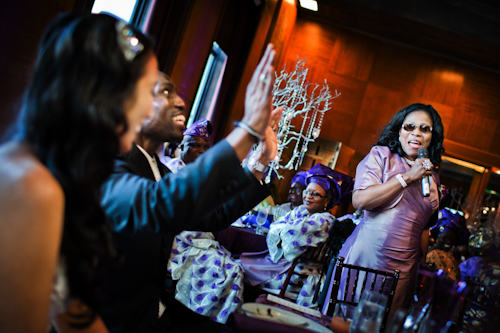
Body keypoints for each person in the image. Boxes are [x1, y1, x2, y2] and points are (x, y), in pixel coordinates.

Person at [99, 44, 282, 332]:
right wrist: (246, 131)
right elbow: (162, 204)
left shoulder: (155, 168)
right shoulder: (109, 160)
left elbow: (214, 216)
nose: (182, 101)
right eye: (165, 92)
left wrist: (257, 163)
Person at [0, 12, 156, 332]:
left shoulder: (54, 175)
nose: (151, 109)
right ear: (109, 93)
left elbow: (73, 312)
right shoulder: (32, 187)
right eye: (150, 89)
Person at [322, 103, 445, 322]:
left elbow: (425, 226)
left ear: (432, 138)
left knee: (382, 325)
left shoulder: (432, 175)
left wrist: (421, 265)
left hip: (405, 269)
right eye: (410, 126)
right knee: (344, 320)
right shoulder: (381, 156)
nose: (416, 132)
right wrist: (407, 177)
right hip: (367, 257)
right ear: (399, 132)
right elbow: (359, 200)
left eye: (425, 129)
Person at [165, 119, 244, 323]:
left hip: (201, 241)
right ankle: (192, 319)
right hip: (178, 242)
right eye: (194, 145)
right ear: (181, 147)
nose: (201, 151)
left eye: (205, 147)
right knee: (228, 271)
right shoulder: (172, 170)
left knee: (234, 269)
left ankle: (209, 322)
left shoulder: (203, 176)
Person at [241, 164, 353, 307]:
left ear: (327, 200)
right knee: (240, 264)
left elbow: (291, 236)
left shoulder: (324, 220)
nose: (308, 196)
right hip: (285, 265)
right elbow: (277, 227)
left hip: (299, 274)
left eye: (316, 194)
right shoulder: (302, 211)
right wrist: (285, 229)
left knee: (240, 271)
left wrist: (284, 229)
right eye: (307, 191)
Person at [426, 208, 469, 280]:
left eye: (451, 239)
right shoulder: (435, 254)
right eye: (444, 238)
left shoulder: (449, 255)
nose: (448, 241)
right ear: (437, 237)